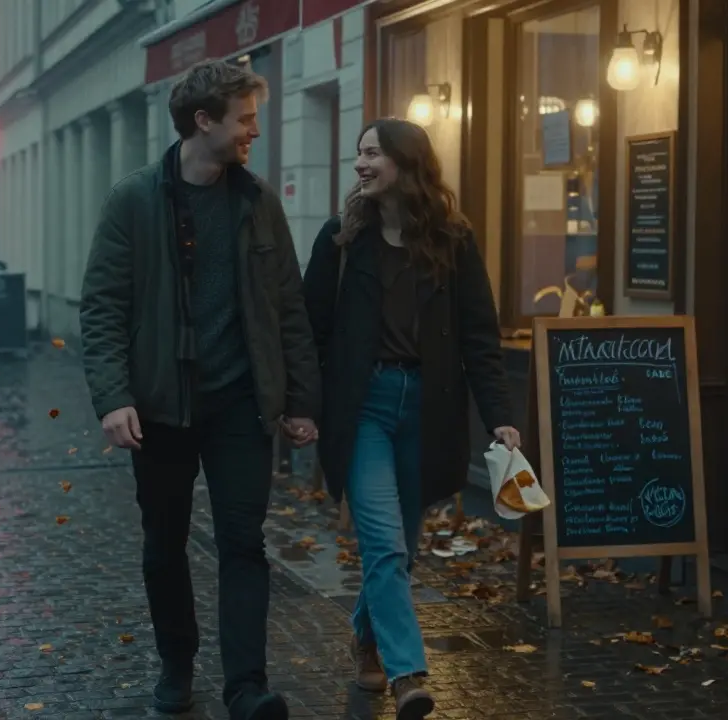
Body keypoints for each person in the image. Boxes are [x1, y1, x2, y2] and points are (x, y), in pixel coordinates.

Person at [79, 59, 320, 720]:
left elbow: (288, 308)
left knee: (243, 543)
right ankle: (177, 665)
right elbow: (101, 308)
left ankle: (246, 686)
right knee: (166, 542)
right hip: (158, 408)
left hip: (240, 405)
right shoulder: (134, 200)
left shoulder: (258, 202)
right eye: (245, 119)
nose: (255, 132)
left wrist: (300, 401)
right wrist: (113, 397)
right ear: (204, 120)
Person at [302, 118, 520, 720]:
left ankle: (368, 639)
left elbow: (480, 337)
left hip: (428, 409)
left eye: (372, 154)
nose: (361, 165)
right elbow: (309, 330)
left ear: (406, 161)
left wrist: (500, 417)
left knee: (399, 548)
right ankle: (407, 674)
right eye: (358, 155)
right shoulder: (339, 240)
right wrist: (301, 407)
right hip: (363, 407)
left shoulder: (452, 240)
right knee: (384, 541)